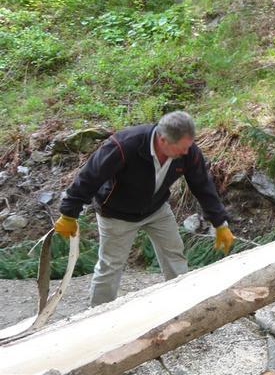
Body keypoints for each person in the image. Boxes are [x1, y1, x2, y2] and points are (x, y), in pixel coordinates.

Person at [54, 111, 235, 306]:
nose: (185, 152)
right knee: (111, 265)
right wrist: (69, 213)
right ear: (163, 140)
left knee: (174, 254)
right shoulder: (125, 145)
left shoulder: (188, 152)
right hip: (116, 214)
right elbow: (89, 176)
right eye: (181, 148)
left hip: (156, 210)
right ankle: (97, 314)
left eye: (188, 147)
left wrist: (220, 222)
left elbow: (202, 185)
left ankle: (182, 305)